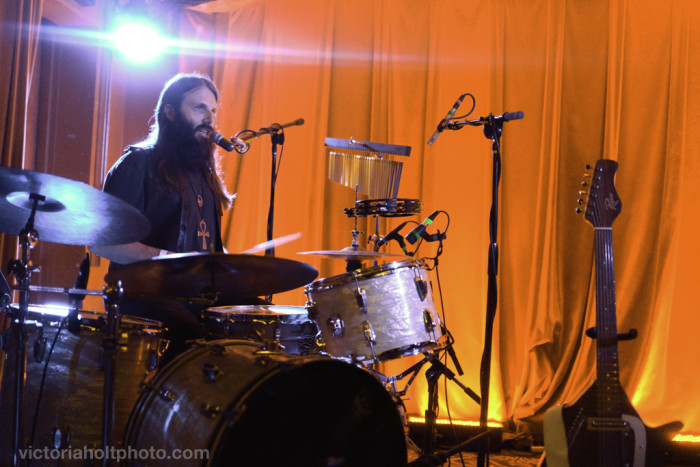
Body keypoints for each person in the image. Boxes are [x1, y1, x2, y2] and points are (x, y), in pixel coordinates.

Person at [89, 72, 235, 359]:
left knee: (252, 319)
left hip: (195, 293)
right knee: (187, 330)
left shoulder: (204, 174)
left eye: (213, 110)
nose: (209, 118)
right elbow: (103, 244)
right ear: (170, 112)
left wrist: (241, 269)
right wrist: (167, 258)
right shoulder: (136, 164)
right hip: (144, 293)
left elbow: (207, 246)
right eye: (199, 108)